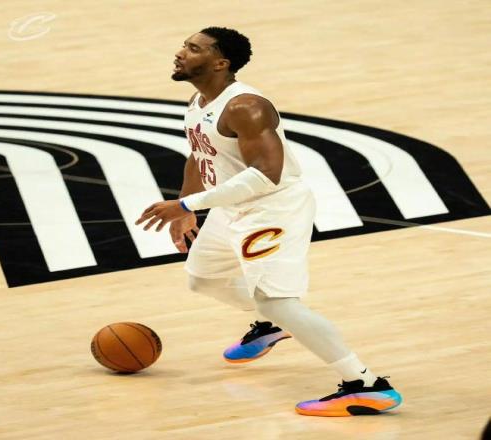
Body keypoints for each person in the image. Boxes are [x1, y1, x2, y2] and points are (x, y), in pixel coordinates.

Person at [136, 26, 402, 417]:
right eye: (184, 45)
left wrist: (188, 202)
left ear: (220, 63)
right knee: (202, 277)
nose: (180, 52)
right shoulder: (198, 100)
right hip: (233, 207)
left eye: (193, 48)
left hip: (271, 209)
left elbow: (266, 176)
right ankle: (274, 324)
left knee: (276, 300)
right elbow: (200, 154)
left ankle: (366, 385)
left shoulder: (246, 107)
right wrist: (187, 207)